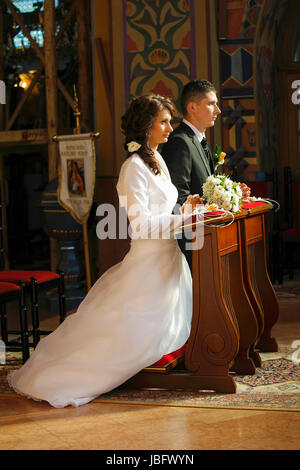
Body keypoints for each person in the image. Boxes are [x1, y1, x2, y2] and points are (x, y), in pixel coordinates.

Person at [7, 94, 202, 408]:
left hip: (170, 258)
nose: (169, 127)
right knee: (125, 334)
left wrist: (188, 207)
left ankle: (169, 363)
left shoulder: (157, 158)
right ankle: (72, 373)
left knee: (166, 329)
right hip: (149, 261)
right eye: (163, 122)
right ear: (146, 125)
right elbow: (140, 225)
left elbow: (166, 207)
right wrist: (183, 219)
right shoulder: (133, 168)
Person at [162, 79, 250, 269]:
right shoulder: (180, 142)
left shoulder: (199, 140)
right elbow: (179, 198)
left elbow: (204, 189)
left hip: (206, 236)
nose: (218, 110)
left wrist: (231, 196)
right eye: (211, 104)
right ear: (192, 107)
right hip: (192, 241)